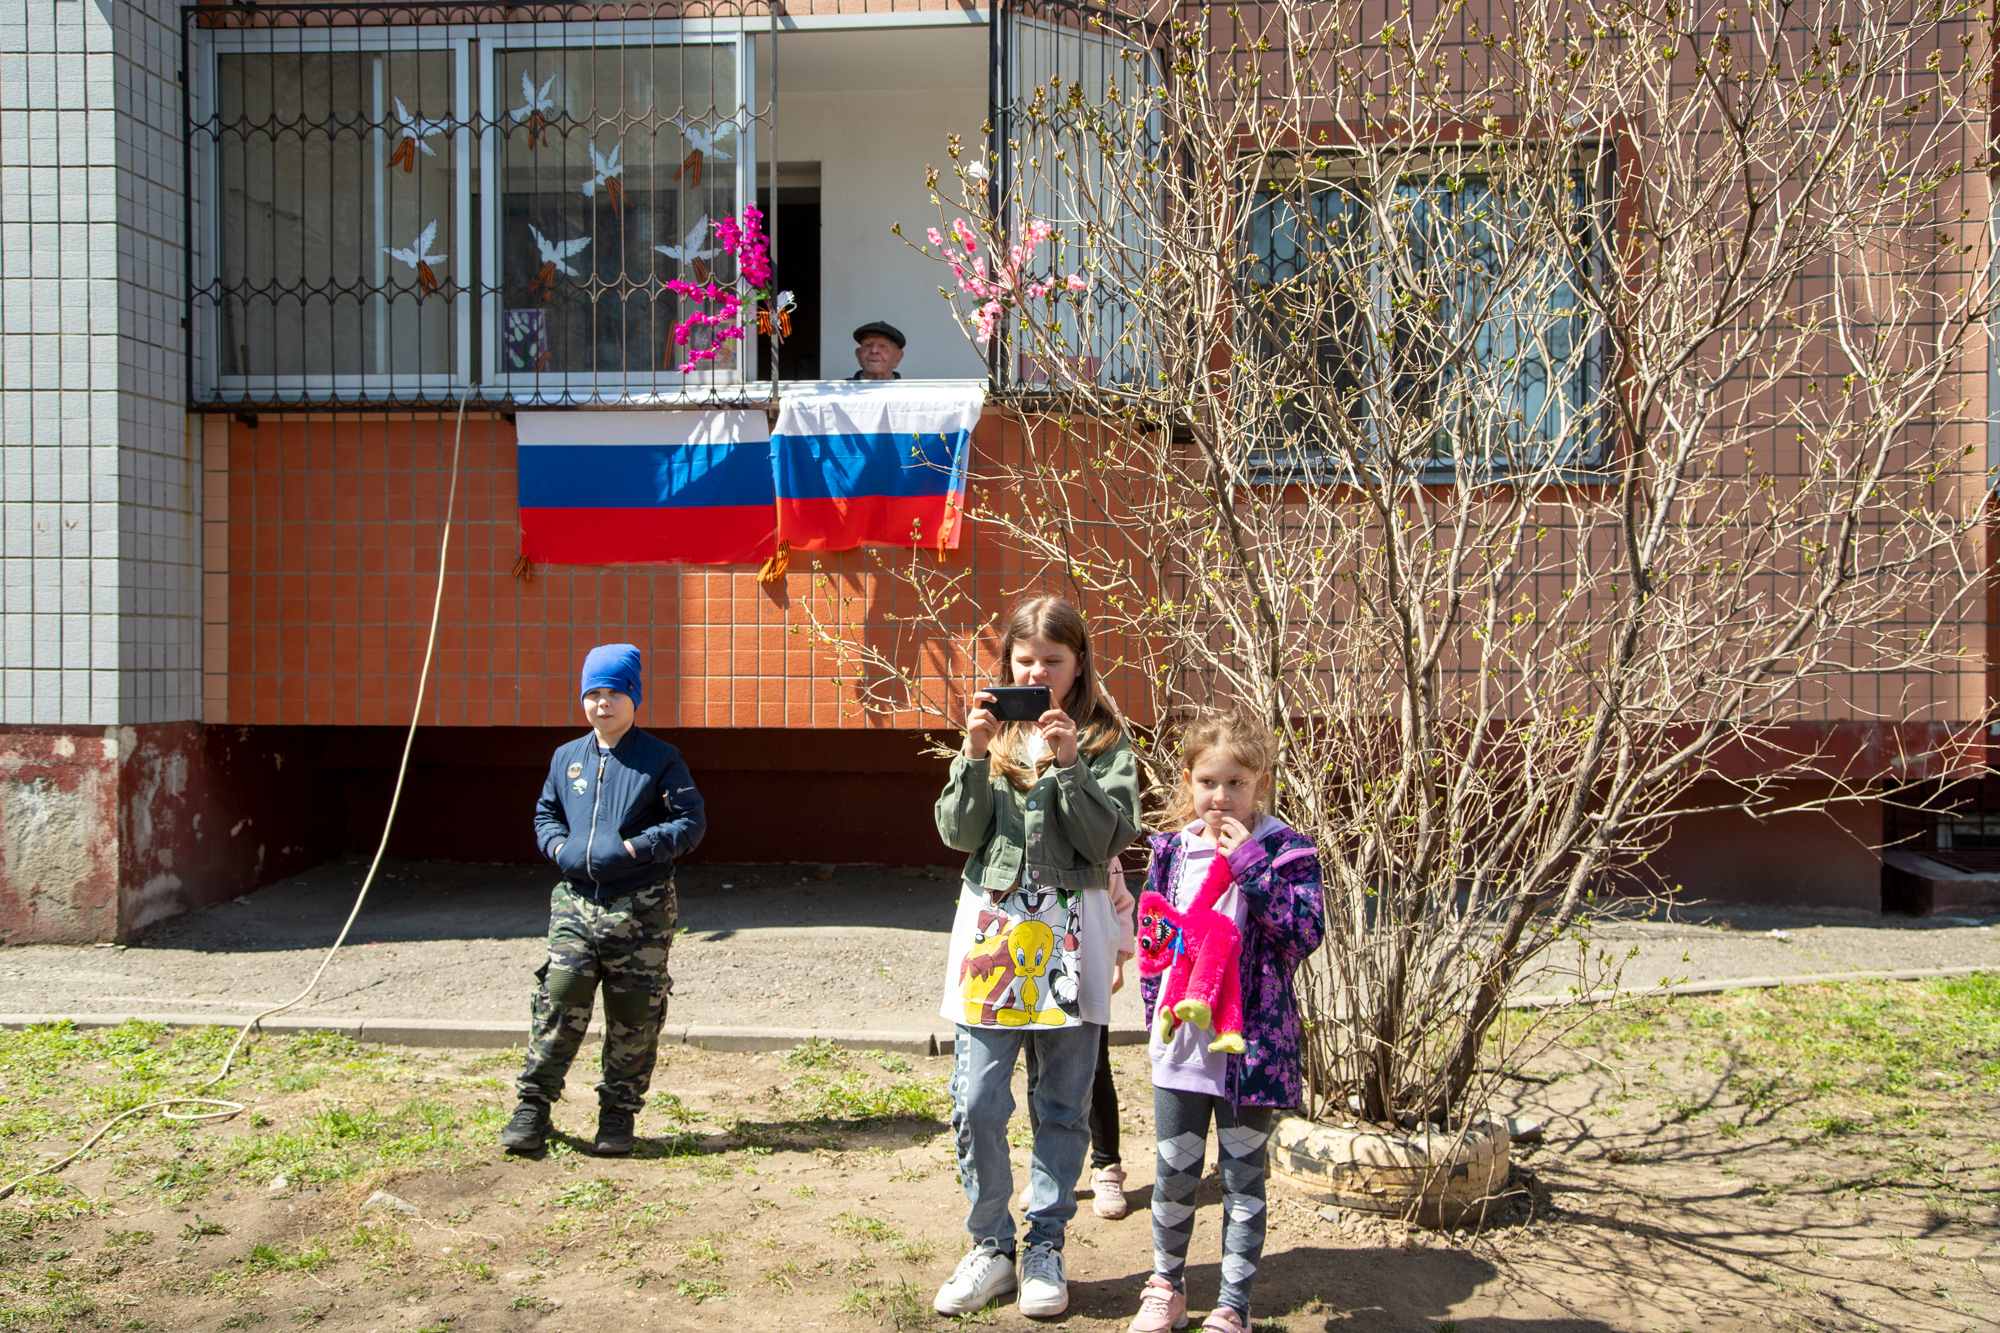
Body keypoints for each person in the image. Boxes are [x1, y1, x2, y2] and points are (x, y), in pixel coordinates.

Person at [932, 595, 1143, 1320]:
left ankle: (1044, 1243)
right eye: (1026, 660)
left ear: (1079, 663)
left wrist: (1070, 763)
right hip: (993, 936)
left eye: (1053, 660)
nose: (1039, 672)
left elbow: (1106, 840)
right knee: (977, 1096)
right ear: (1007, 664)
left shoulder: (1107, 740)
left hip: (1073, 933)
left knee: (1061, 1102)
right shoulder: (989, 740)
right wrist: (968, 755)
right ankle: (992, 1245)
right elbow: (959, 834)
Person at [1126, 708, 1325, 1333]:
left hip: (1251, 1049)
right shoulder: (1171, 850)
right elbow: (1156, 933)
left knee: (1242, 1179)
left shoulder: (1285, 849)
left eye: (1236, 783)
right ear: (1188, 781)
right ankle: (1167, 1286)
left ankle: (1233, 1304)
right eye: (1209, 782)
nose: (1221, 797)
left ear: (1260, 782)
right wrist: (1155, 1004)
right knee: (1174, 1170)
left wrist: (1252, 870)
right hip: (1182, 1045)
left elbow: (1304, 934)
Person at [499, 643, 706, 1157]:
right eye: (593, 693)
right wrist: (558, 847)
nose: (602, 704)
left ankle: (617, 1116)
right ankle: (533, 1107)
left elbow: (690, 824)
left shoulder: (660, 759)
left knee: (635, 1011)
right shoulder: (566, 758)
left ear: (633, 698)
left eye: (614, 693)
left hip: (642, 904)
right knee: (560, 996)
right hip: (575, 902)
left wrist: (634, 847)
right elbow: (546, 815)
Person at [1021, 855, 1135, 1219]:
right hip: (1034, 982)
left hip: (1085, 976)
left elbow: (1121, 902)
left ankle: (1106, 1166)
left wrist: (1117, 958)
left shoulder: (1097, 842)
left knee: (1095, 1070)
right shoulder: (1024, 841)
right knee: (1038, 1073)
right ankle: (1048, 1170)